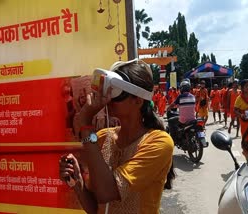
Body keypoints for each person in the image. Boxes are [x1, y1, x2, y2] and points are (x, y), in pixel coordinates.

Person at [59, 59, 175, 214]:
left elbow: (107, 192)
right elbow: (98, 208)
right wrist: (77, 182)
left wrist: (86, 125)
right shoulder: (101, 137)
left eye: (117, 92)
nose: (108, 98)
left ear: (138, 100)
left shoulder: (159, 142)